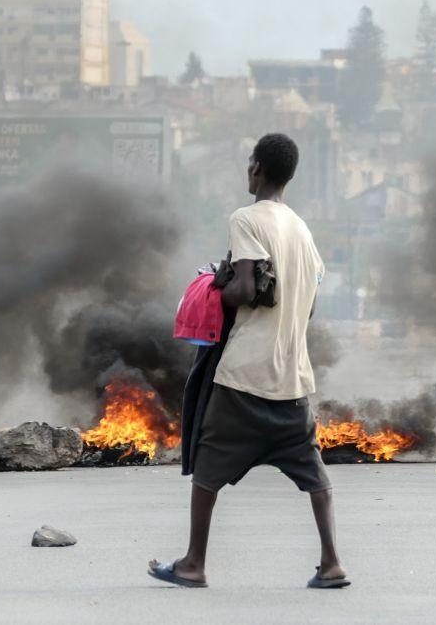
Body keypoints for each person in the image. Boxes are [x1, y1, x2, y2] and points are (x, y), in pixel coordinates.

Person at [148, 133, 348, 589]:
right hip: (294, 380)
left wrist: (213, 284)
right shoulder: (302, 230)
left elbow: (243, 291)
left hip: (244, 376)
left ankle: (193, 564)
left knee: (208, 465)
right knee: (313, 473)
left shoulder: (245, 219)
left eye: (248, 164)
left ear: (256, 167)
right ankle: (332, 562)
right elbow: (308, 304)